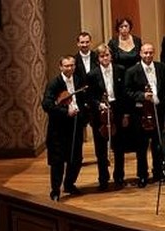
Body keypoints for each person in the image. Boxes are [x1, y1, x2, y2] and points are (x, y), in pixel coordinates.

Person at [42, 55, 89, 201]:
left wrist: (83, 115)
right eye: (66, 66)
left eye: (72, 65)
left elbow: (84, 100)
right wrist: (65, 112)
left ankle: (69, 184)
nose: (70, 68)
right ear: (61, 67)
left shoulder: (79, 80)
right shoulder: (54, 84)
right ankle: (55, 191)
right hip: (59, 128)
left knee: (76, 158)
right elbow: (46, 105)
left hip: (76, 124)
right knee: (58, 161)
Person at [124, 42, 165, 187]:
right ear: (140, 54)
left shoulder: (162, 68)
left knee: (158, 144)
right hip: (141, 113)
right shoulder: (132, 71)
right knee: (141, 146)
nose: (148, 55)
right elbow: (127, 91)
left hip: (158, 111)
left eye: (150, 52)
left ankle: (158, 171)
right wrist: (142, 96)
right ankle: (142, 175)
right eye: (145, 53)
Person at [88, 44, 129, 190]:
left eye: (107, 55)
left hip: (117, 109)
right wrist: (99, 104)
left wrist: (125, 114)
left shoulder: (120, 70)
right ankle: (103, 179)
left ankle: (119, 177)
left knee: (119, 147)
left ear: (111, 56)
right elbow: (90, 96)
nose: (105, 58)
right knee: (101, 149)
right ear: (98, 59)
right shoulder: (92, 74)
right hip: (100, 113)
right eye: (102, 56)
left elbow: (124, 94)